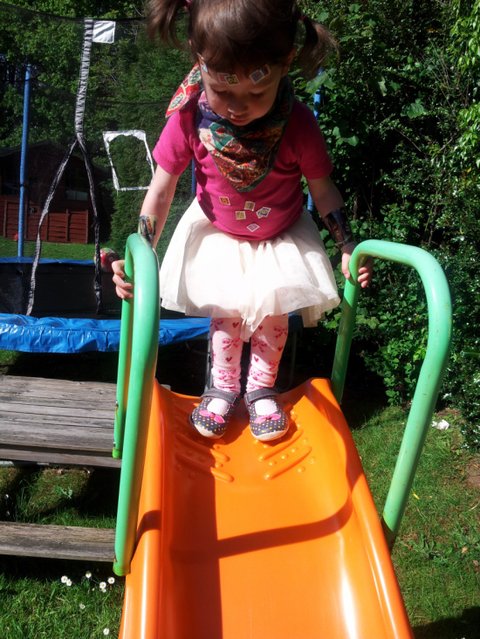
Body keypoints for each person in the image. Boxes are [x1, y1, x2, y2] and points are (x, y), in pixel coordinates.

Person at [112, 0, 372, 443]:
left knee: (273, 317)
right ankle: (222, 388)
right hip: (219, 233)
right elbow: (161, 190)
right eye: (223, 91)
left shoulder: (297, 124)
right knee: (227, 315)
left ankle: (261, 389)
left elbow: (323, 189)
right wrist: (140, 251)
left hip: (280, 235)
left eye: (257, 93)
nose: (238, 107)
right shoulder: (190, 119)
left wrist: (347, 244)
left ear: (285, 63)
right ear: (199, 59)